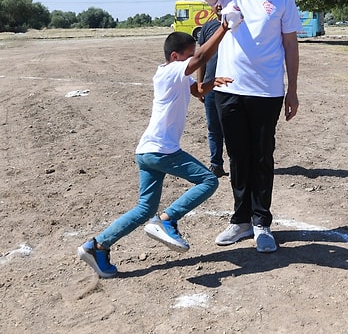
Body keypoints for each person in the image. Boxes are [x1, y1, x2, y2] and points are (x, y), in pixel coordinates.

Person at [167, 0, 302, 254]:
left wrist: (292, 89)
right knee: (237, 157)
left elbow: (290, 44)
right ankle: (240, 219)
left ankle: (261, 222)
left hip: (267, 91)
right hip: (229, 89)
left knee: (261, 156)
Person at [77, 21, 234, 278]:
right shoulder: (171, 71)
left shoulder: (175, 75)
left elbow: (197, 91)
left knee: (145, 209)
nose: (193, 59)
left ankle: (97, 246)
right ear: (176, 56)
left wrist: (213, 82)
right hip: (162, 150)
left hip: (148, 151)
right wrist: (224, 28)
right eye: (189, 54)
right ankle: (168, 219)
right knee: (208, 180)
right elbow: (203, 55)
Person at [197, 12, 228, 178]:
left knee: (233, 128)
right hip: (210, 86)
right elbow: (201, 56)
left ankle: (237, 163)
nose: (218, 5)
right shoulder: (208, 27)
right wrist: (200, 83)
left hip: (232, 86)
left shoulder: (239, 25)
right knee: (213, 128)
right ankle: (216, 164)